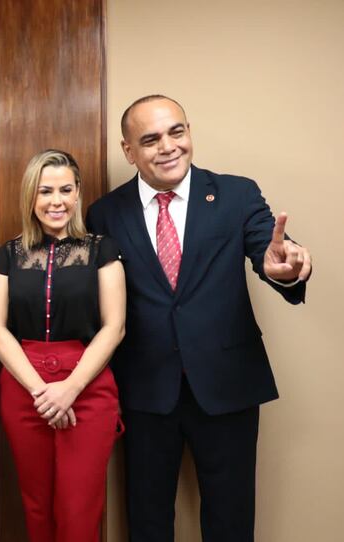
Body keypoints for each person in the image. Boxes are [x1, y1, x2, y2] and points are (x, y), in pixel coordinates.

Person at [86, 95, 313, 541]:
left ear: (189, 132)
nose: (168, 146)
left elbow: (271, 252)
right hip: (146, 391)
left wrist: (281, 270)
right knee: (148, 522)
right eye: (150, 139)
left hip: (228, 383)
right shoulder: (105, 214)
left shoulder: (236, 194)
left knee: (230, 522)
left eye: (177, 131)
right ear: (128, 151)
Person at [0, 149, 126, 542]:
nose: (56, 201)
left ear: (78, 193)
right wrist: (40, 392)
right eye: (45, 191)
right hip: (23, 385)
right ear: (31, 197)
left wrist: (69, 389)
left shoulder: (103, 249)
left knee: (80, 505)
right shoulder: (8, 254)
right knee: (36, 503)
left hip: (87, 384)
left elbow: (114, 327)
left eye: (66, 189)